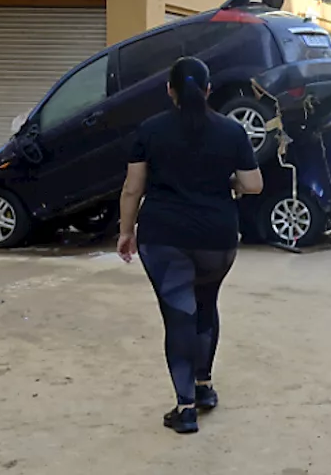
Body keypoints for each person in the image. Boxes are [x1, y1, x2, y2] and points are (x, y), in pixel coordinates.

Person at [116, 57, 264, 434]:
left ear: (171, 90)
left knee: (178, 316)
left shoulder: (150, 130)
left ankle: (185, 409)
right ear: (209, 90)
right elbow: (254, 184)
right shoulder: (232, 132)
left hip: (164, 237)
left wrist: (125, 230)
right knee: (205, 305)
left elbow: (133, 187)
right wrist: (227, 184)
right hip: (217, 237)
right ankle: (204, 387)